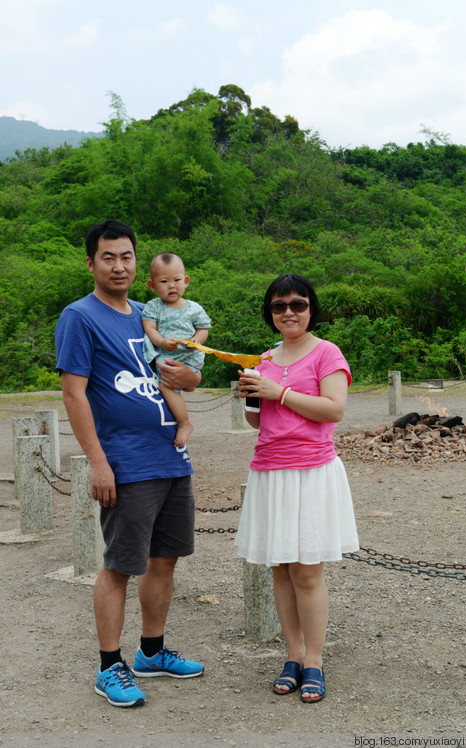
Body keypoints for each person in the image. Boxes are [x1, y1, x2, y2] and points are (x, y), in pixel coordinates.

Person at [55, 219, 204, 708]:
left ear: (138, 263)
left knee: (165, 559)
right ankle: (108, 666)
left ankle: (152, 652)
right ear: (91, 263)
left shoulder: (151, 312)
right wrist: (97, 462)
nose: (118, 265)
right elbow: (74, 395)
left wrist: (191, 381)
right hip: (125, 463)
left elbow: (183, 376)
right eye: (108, 257)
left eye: (126, 256)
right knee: (120, 566)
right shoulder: (80, 317)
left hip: (171, 457)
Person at [236, 273, 359, 704]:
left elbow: (334, 409)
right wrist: (252, 396)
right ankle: (292, 655)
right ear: (269, 312)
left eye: (298, 304)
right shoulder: (265, 357)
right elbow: (259, 421)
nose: (288, 312)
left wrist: (279, 391)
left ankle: (315, 661)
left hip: (311, 471)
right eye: (278, 305)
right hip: (269, 470)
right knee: (280, 567)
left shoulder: (327, 352)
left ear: (311, 308)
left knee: (308, 570)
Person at [142, 252, 211, 447]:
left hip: (189, 356)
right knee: (167, 384)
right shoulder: (153, 307)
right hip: (168, 356)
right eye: (164, 281)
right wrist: (162, 342)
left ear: (186, 281)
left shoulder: (194, 308)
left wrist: (196, 340)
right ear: (152, 286)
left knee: (174, 385)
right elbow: (149, 329)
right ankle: (185, 421)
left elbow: (203, 329)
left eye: (176, 280)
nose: (171, 285)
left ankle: (183, 422)